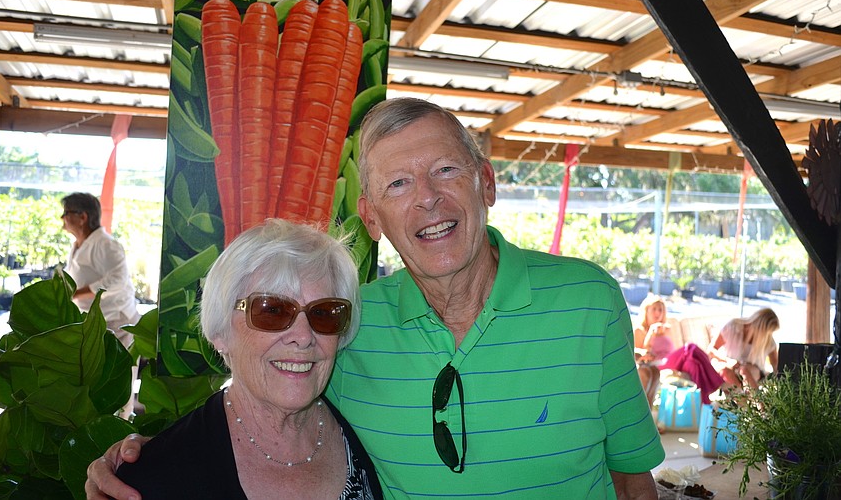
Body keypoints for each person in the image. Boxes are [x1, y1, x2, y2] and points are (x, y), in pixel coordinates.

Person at [87, 97, 663, 499]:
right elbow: (264, 385)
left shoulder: (590, 301)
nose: (428, 200)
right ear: (372, 217)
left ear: (486, 182)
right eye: (398, 184)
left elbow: (633, 483)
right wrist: (144, 458)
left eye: (445, 170)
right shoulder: (349, 326)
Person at [117, 219, 382, 499]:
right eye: (273, 311)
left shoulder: (367, 430)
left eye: (324, 313)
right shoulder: (154, 477)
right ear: (220, 332)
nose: (303, 336)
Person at [61, 192, 138, 348]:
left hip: (116, 319)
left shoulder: (107, 245)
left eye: (66, 213)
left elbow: (117, 280)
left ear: (82, 217)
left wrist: (76, 293)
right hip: (95, 319)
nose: (62, 218)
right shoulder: (77, 244)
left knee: (117, 370)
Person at [707, 307, 780, 390]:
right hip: (730, 367)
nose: (769, 334)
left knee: (744, 370)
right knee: (726, 371)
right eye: (769, 331)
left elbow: (775, 364)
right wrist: (728, 361)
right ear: (763, 327)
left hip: (753, 371)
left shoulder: (767, 339)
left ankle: (743, 397)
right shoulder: (732, 327)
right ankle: (747, 398)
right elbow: (711, 350)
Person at [634, 295, 675, 406]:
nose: (657, 313)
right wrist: (651, 332)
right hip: (653, 364)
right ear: (646, 311)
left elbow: (674, 349)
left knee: (690, 351)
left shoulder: (666, 329)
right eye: (654, 309)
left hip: (670, 361)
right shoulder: (639, 330)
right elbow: (640, 354)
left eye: (660, 309)